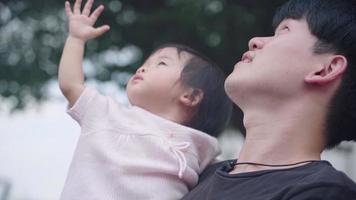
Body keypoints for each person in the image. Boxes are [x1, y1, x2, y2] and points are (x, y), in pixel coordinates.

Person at [58, 0, 232, 199]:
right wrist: (76, 39)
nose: (142, 68)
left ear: (191, 96)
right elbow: (71, 85)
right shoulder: (106, 113)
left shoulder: (203, 148)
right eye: (145, 63)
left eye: (161, 63)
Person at [182, 0, 356, 199]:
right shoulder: (196, 173)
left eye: (284, 30)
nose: (255, 41)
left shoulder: (325, 192)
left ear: (326, 69)